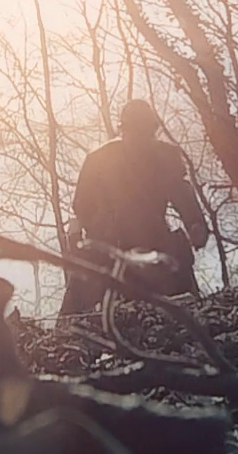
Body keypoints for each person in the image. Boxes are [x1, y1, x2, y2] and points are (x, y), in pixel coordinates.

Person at [59, 99, 210, 314]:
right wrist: (81, 238)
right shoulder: (99, 160)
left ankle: (190, 315)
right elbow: (82, 205)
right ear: (124, 130)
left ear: (152, 131)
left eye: (144, 131)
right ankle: (72, 325)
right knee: (86, 279)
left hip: (154, 240)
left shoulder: (165, 157)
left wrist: (195, 223)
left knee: (176, 264)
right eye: (134, 130)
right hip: (109, 241)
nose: (139, 138)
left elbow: (181, 193)